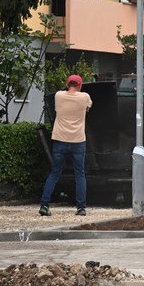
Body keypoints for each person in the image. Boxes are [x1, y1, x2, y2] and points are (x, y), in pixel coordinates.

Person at [40, 75, 93, 217]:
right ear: (80, 85)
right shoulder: (84, 97)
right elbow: (88, 108)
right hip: (78, 141)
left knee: (55, 173)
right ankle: (81, 208)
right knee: (79, 174)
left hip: (60, 140)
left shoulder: (58, 96)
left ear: (67, 84)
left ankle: (44, 205)